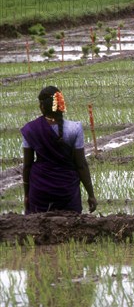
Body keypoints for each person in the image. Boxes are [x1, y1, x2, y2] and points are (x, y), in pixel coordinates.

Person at [20, 86, 97, 214]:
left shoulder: (31, 129)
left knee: (37, 228)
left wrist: (27, 194)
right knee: (70, 228)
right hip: (67, 191)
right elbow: (81, 165)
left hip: (40, 191)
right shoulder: (74, 128)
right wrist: (91, 195)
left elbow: (27, 165)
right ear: (60, 104)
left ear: (42, 106)